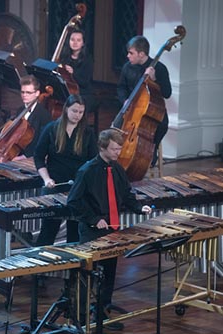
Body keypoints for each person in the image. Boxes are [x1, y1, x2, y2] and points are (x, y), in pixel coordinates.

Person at [67, 128, 152, 329]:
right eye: (114, 149)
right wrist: (94, 219)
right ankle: (80, 316)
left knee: (109, 272)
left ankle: (102, 313)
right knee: (88, 274)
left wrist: (140, 208)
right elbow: (74, 201)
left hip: (112, 229)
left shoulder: (117, 169)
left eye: (119, 149)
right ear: (103, 148)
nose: (118, 153)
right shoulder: (87, 171)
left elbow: (126, 195)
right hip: (91, 230)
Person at [34, 94, 97, 246]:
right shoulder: (51, 129)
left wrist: (85, 183)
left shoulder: (87, 133)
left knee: (75, 234)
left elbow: (93, 161)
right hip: (54, 186)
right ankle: (40, 265)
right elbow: (39, 157)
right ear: (66, 109)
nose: (78, 115)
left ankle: (72, 267)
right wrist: (46, 179)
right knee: (49, 230)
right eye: (75, 111)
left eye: (81, 112)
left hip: (77, 188)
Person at [116, 35, 172, 167]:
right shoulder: (127, 67)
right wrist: (124, 100)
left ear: (141, 54)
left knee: (160, 125)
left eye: (131, 53)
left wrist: (154, 80)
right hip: (132, 109)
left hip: (152, 111)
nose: (128, 56)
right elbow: (121, 87)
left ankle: (150, 153)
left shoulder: (160, 69)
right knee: (117, 127)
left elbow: (167, 93)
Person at [59, 28, 97, 132]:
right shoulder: (64, 57)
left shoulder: (88, 59)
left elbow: (85, 81)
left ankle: (78, 132)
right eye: (72, 39)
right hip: (68, 92)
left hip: (85, 93)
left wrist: (73, 73)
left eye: (78, 40)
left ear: (83, 43)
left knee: (77, 105)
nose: (75, 43)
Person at [13, 74, 52, 160]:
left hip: (30, 157)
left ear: (37, 93)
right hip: (17, 152)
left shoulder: (44, 115)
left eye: (28, 92)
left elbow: (42, 142)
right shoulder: (20, 110)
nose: (24, 95)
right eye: (22, 92)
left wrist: (24, 157)